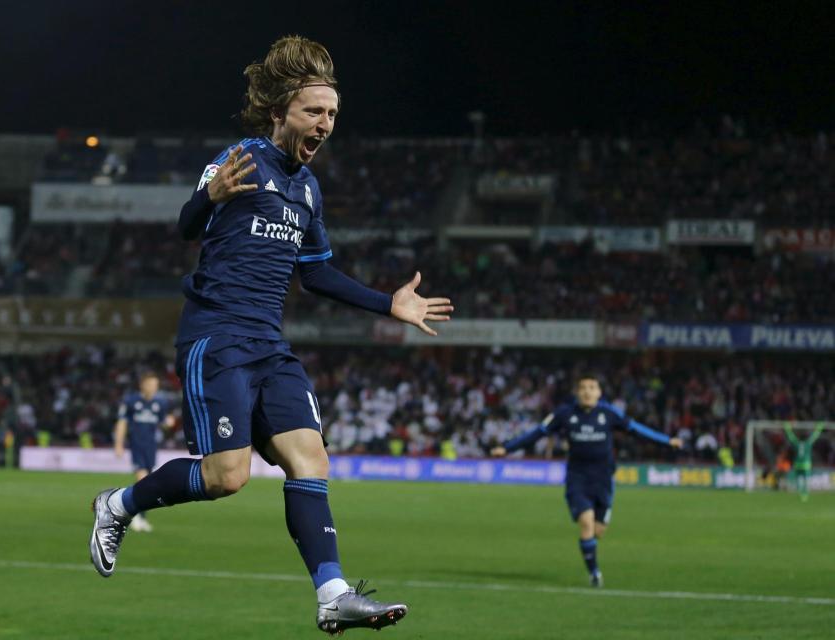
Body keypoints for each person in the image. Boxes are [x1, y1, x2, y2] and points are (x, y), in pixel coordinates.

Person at [89, 35, 453, 635]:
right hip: (218, 336)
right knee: (226, 478)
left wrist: (386, 303)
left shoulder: (308, 190)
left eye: (332, 114)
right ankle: (118, 505)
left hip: (269, 345)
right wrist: (209, 196)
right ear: (280, 110)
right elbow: (186, 225)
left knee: (310, 457)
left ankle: (332, 593)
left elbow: (314, 272)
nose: (326, 123)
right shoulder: (242, 158)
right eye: (315, 111)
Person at [491, 374, 682, 587]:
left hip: (604, 480)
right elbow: (537, 433)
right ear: (576, 392)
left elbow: (637, 430)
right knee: (586, 523)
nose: (587, 392)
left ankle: (590, 553)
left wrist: (666, 441)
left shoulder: (608, 413)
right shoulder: (564, 414)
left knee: (597, 531)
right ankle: (594, 574)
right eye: (583, 388)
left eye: (592, 387)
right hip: (577, 479)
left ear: (599, 393)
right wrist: (507, 448)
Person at [113, 371, 175, 532]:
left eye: (156, 385)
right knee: (143, 481)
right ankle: (135, 516)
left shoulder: (160, 403)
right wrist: (119, 444)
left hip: (151, 448)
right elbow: (122, 423)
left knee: (147, 484)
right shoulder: (131, 401)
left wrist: (168, 424)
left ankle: (138, 517)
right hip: (137, 447)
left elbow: (162, 424)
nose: (154, 388)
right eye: (151, 385)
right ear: (143, 385)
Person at [783, 422, 824, 502]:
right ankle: (805, 494)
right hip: (806, 464)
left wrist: (787, 429)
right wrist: (819, 428)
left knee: (798, 479)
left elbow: (791, 437)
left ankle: (800, 492)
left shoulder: (797, 443)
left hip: (797, 464)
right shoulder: (808, 443)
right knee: (806, 480)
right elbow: (814, 437)